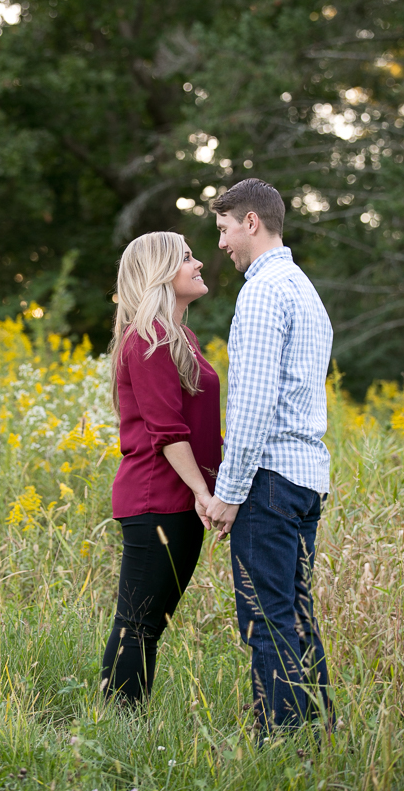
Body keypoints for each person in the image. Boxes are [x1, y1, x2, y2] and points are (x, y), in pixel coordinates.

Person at [203, 178, 333, 734]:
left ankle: (280, 745)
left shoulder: (261, 292)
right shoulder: (304, 288)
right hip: (306, 478)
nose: (223, 244)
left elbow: (253, 405)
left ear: (251, 222)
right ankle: (320, 733)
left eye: (225, 229)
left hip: (271, 480)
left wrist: (229, 494)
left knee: (266, 620)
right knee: (296, 614)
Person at [101, 231, 223, 704]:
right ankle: (117, 725)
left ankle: (121, 721)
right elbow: (167, 431)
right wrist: (203, 492)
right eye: (186, 258)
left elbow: (196, 427)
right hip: (157, 499)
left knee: (148, 623)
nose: (197, 264)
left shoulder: (180, 337)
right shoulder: (147, 338)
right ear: (160, 273)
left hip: (179, 499)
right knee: (138, 624)